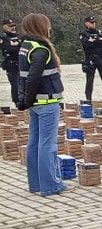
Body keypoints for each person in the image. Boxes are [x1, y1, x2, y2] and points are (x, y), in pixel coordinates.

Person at [17, 13, 66, 197]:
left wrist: (25, 100)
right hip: (46, 102)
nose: (50, 28)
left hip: (36, 103)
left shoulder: (26, 46)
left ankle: (36, 184)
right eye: (48, 25)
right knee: (47, 144)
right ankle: (50, 186)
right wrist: (26, 100)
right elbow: (33, 78)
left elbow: (24, 77)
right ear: (40, 27)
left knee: (34, 142)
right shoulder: (41, 50)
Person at [80, 16, 102, 101]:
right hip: (90, 59)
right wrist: (98, 41)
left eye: (94, 22)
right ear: (86, 23)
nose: (93, 24)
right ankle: (88, 99)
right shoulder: (83, 34)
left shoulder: (100, 32)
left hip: (101, 58)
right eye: (91, 22)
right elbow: (86, 45)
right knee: (89, 80)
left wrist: (95, 40)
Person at [1, 19, 21, 106]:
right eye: (10, 26)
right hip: (11, 64)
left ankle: (23, 100)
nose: (13, 28)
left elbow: (23, 46)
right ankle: (17, 102)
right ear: (5, 27)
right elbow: (9, 49)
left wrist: (16, 44)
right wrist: (17, 45)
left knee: (23, 83)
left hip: (21, 63)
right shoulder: (3, 38)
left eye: (13, 26)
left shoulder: (18, 36)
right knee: (15, 84)